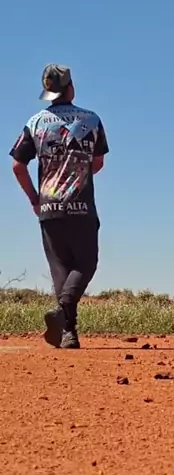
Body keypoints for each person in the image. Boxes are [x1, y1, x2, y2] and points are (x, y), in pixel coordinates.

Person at [9, 64, 109, 349]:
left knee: (60, 270)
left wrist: (34, 198)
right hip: (81, 205)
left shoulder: (35, 123)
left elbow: (18, 166)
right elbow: (98, 163)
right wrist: (77, 171)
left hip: (49, 208)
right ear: (71, 89)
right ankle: (65, 313)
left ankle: (68, 334)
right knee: (86, 263)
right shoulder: (91, 120)